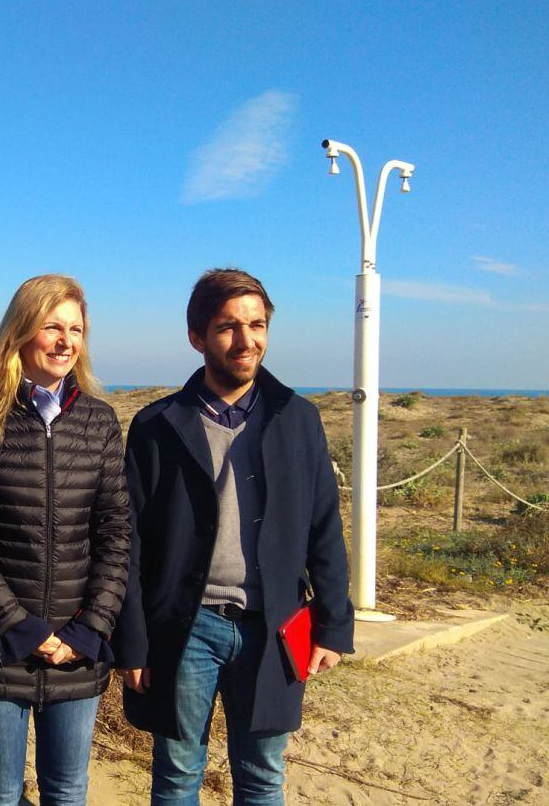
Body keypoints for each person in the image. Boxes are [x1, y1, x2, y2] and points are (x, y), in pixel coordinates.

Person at [111, 268, 354, 805]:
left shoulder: (298, 419)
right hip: (184, 627)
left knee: (263, 774)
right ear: (197, 337)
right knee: (177, 775)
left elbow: (324, 527)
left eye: (257, 324)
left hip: (274, 627)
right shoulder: (157, 427)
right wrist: (131, 639)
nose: (246, 341)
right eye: (228, 327)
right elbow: (129, 544)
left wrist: (334, 624)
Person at [0, 274, 131, 806]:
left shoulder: (99, 421)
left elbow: (116, 532)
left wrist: (89, 628)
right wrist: (20, 626)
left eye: (75, 329)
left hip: (79, 645)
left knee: (68, 790)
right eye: (52, 326)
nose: (65, 341)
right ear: (21, 332)